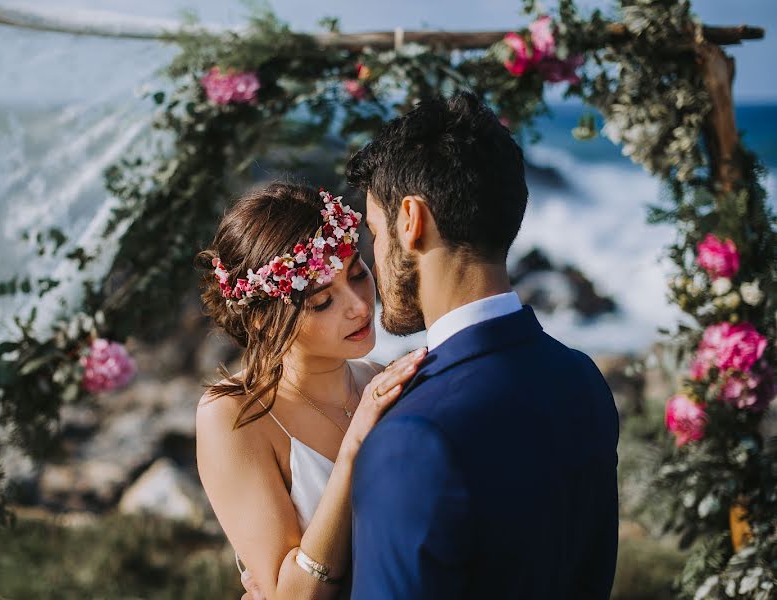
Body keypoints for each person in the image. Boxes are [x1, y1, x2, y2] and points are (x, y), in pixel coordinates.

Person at [345, 91, 620, 599]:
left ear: (411, 221)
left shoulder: (412, 437)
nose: (373, 257)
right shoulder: (583, 380)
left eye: (376, 232)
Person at [195, 181, 425, 600]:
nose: (358, 304)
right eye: (322, 302)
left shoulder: (386, 382)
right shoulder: (234, 416)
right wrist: (354, 448)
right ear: (264, 319)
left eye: (358, 274)